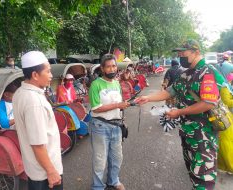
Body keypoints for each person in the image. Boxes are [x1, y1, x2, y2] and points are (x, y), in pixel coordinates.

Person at [135, 39, 225, 190]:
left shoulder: (207, 72)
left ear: (196, 52)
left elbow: (208, 103)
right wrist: (148, 98)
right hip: (188, 133)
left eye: (183, 52)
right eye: (178, 53)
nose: (180, 55)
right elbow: (169, 92)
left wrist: (179, 112)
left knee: (203, 180)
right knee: (193, 173)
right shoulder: (185, 74)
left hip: (203, 136)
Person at [12, 51, 63, 190]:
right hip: (45, 174)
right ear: (35, 75)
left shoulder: (20, 93)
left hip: (35, 170)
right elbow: (38, 144)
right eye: (48, 71)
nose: (51, 76)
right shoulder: (34, 102)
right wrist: (51, 171)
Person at [88, 54, 130, 190]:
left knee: (117, 157)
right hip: (100, 126)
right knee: (100, 160)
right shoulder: (96, 84)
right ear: (102, 68)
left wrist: (122, 110)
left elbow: (118, 104)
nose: (112, 69)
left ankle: (113, 180)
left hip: (116, 126)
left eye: (114, 66)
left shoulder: (117, 83)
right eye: (108, 67)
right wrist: (118, 105)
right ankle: (98, 186)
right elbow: (96, 108)